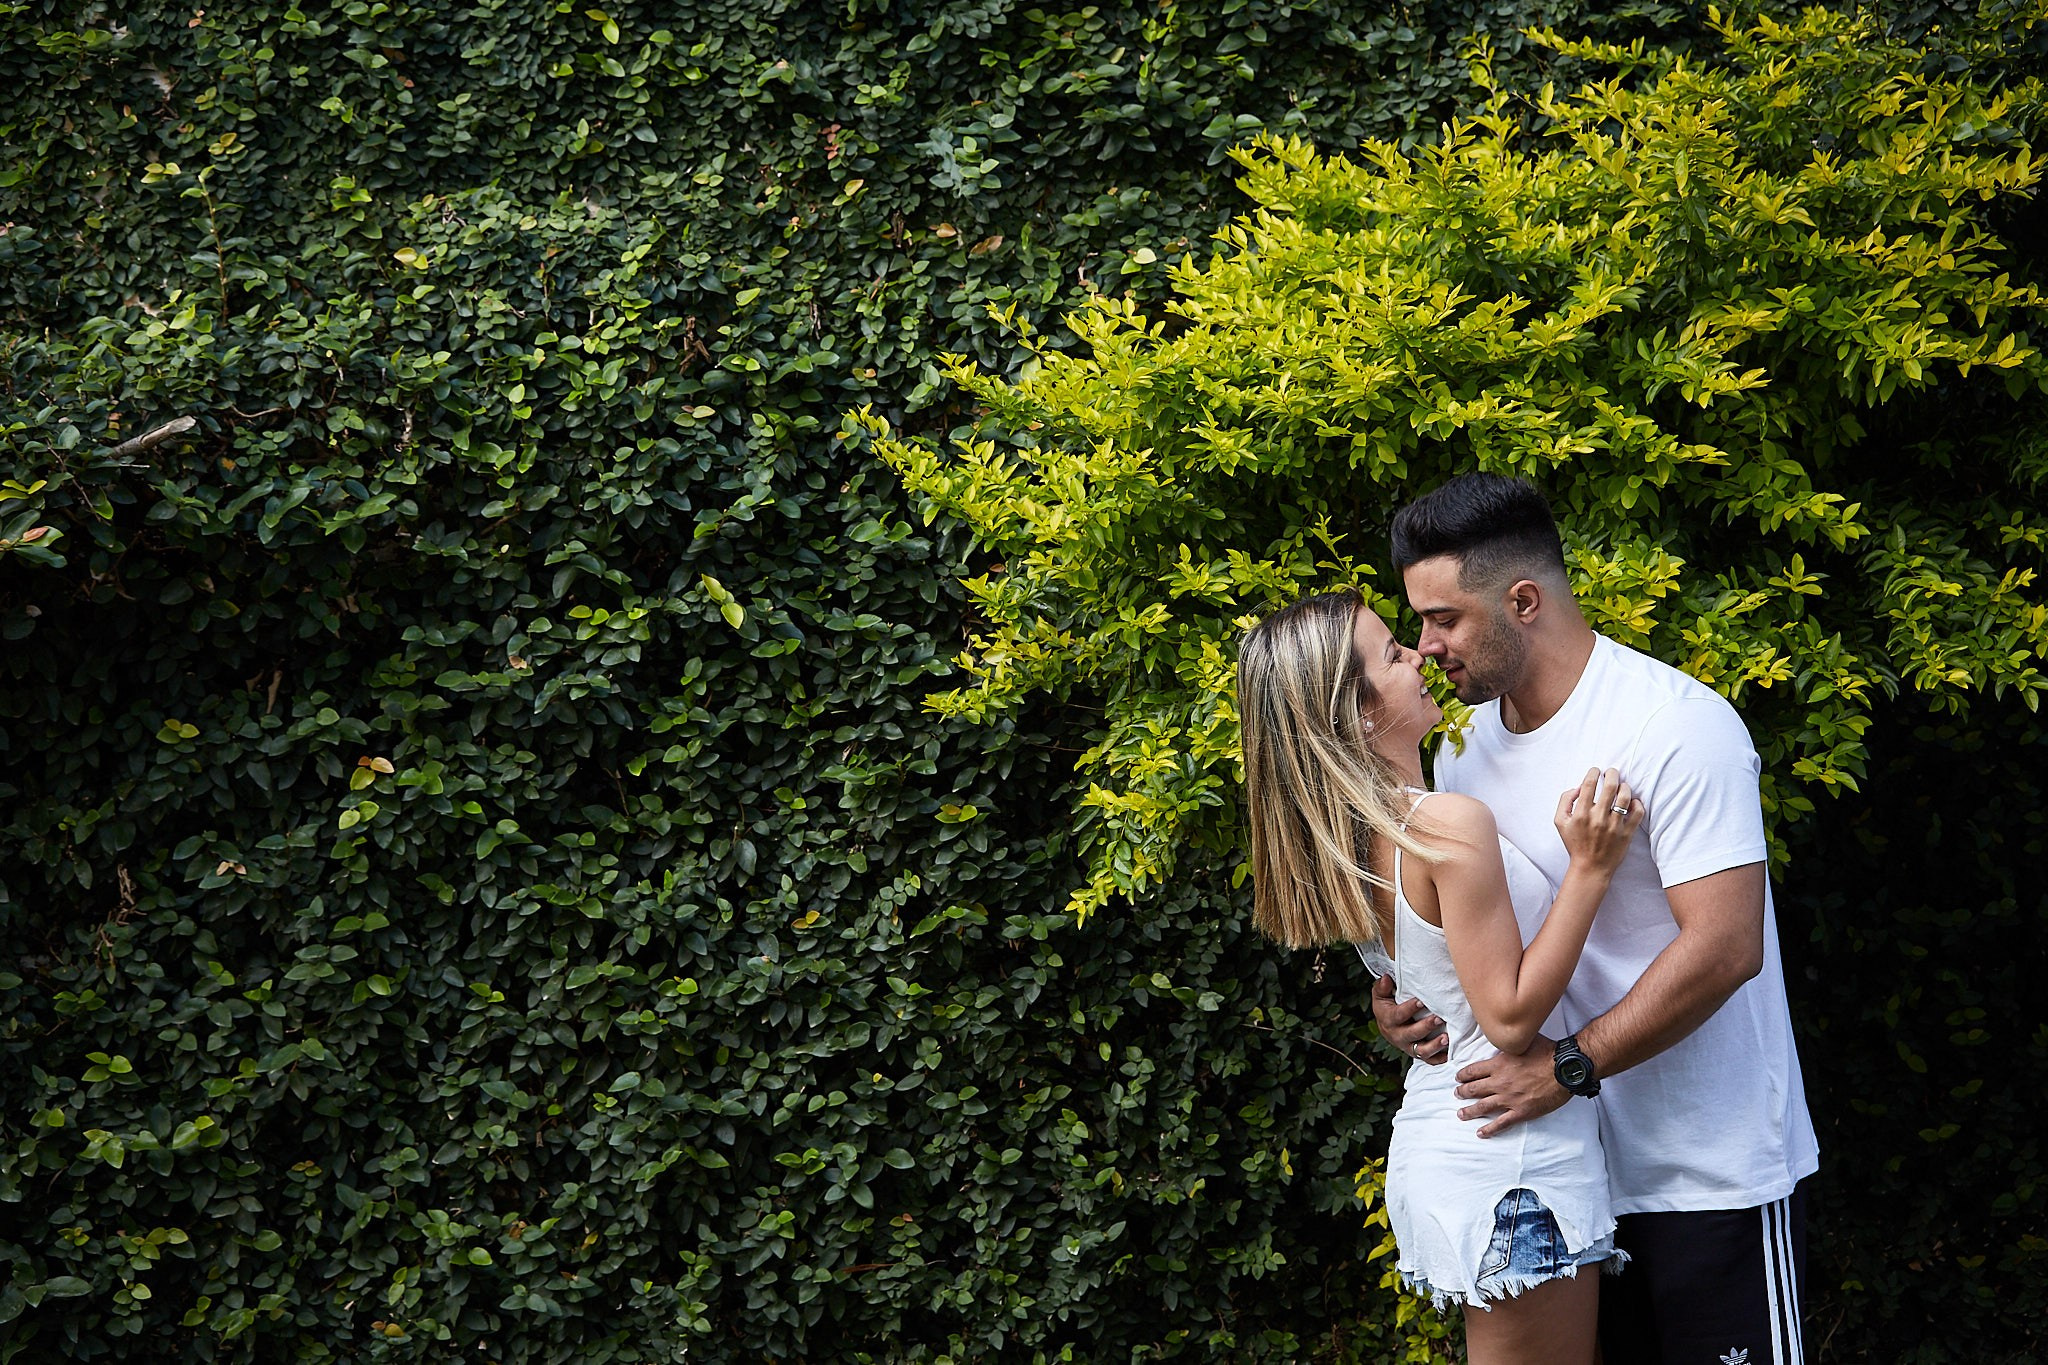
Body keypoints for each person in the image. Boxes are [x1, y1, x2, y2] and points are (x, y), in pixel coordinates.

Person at [1375, 472, 1820, 1365]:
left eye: (1444, 619)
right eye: (1415, 624)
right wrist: (1409, 1003)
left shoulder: (1675, 726)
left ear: (1523, 600)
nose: (1425, 647)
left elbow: (1727, 945)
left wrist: (1571, 1066)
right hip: (1562, 1186)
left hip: (1708, 1175)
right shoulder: (1459, 751)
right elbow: (1480, 951)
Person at [1237, 588, 1644, 1364]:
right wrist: (1591, 868)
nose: (1419, 655)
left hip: (1455, 1143)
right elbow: (1511, 1016)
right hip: (1510, 1161)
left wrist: (1390, 1011)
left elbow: (1425, 974)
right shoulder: (1443, 824)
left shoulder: (1357, 837)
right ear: (1355, 714)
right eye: (1392, 654)